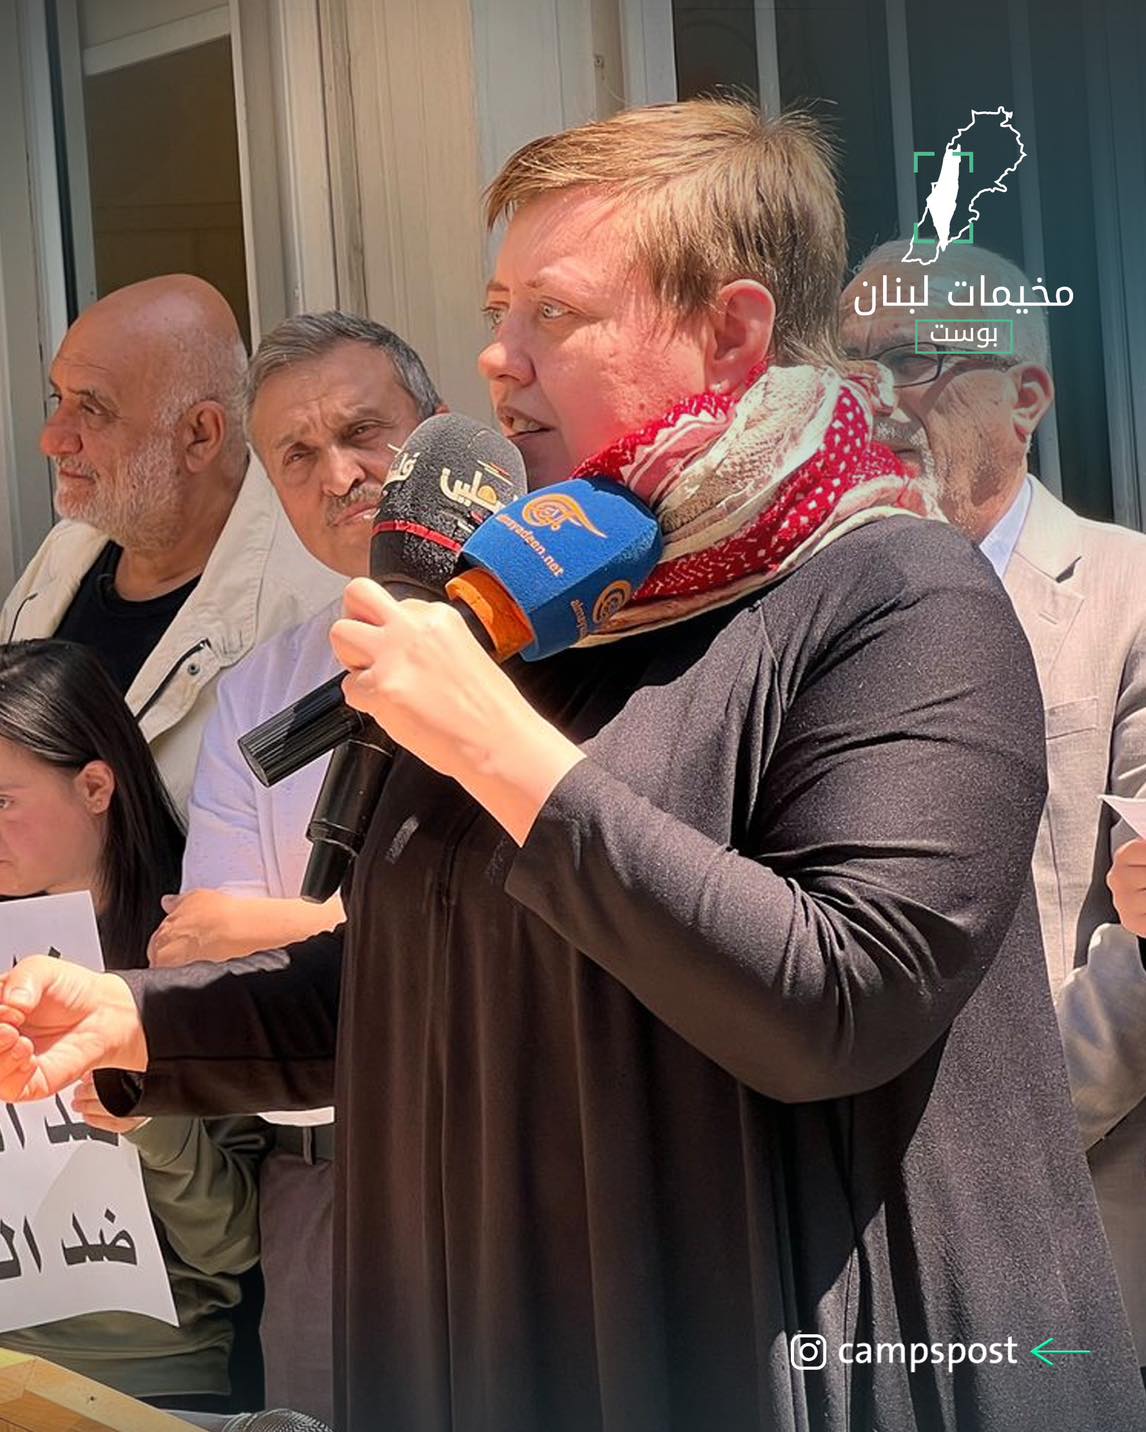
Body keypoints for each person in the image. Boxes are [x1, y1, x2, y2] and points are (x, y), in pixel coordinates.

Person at [2, 99, 1145, 1432]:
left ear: (732, 333)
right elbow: (419, 973)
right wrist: (140, 1022)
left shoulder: (900, 595)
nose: (499, 358)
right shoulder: (546, 608)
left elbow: (838, 994)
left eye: (555, 313)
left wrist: (497, 750)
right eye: (499, 310)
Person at [841, 242, 1146, 1368]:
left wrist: (996, 1140)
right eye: (851, 365)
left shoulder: (1130, 593)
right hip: (847, 1243)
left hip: (1079, 1226)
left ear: (1028, 396)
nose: (878, 396)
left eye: (916, 360)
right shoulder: (814, 607)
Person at [145, 311, 444, 1425]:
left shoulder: (546, 643)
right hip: (316, 1181)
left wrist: (289, 929)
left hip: (511, 1152)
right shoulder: (262, 688)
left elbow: (523, 932)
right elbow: (205, 950)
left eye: (365, 433)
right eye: (299, 455)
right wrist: (334, 935)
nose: (341, 474)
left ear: (437, 431)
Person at [0, 640, 267, 1412]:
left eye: (2, 802)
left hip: (149, 1377)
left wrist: (143, 1113)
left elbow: (233, 1244)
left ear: (95, 786)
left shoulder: (201, 953)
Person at [0, 275, 342, 816]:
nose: (52, 438)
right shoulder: (67, 550)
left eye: (92, 408)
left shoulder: (310, 613)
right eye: (58, 398)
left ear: (200, 435)